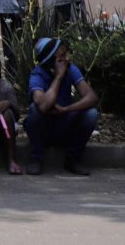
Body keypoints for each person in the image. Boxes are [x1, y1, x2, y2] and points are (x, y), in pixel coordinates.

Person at [25, 37, 99, 176]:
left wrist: (66, 109)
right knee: (34, 110)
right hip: (44, 128)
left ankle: (73, 160)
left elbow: (91, 97)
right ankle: (36, 159)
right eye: (62, 56)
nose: (67, 59)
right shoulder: (37, 74)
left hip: (64, 124)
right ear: (51, 60)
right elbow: (43, 106)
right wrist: (58, 77)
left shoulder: (71, 69)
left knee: (91, 113)